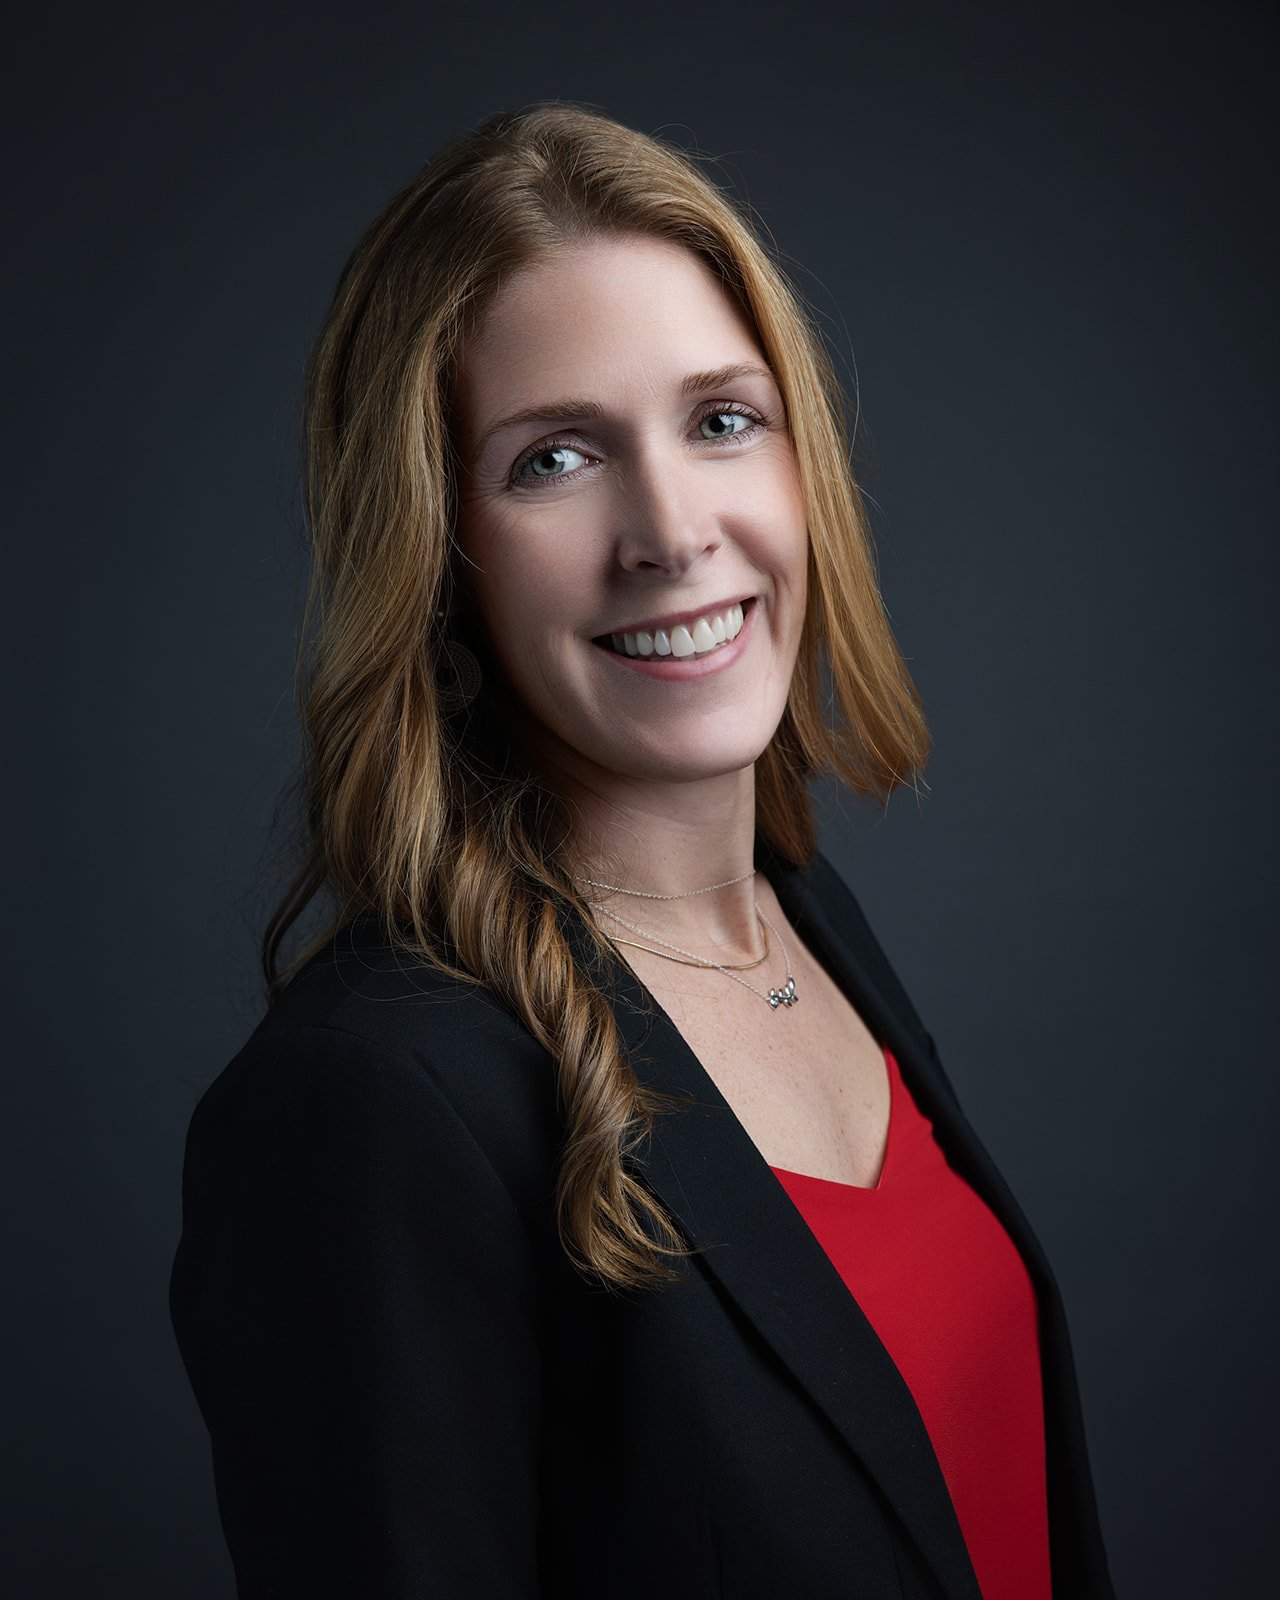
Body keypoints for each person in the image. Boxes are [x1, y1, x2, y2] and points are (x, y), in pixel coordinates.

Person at [168, 101, 1115, 1599]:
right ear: (437, 552)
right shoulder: (373, 1103)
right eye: (554, 459)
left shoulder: (806, 925)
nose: (671, 531)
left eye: (721, 420)